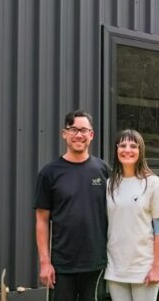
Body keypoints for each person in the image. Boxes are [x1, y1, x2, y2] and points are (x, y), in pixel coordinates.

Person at [35, 110, 109, 300]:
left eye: (84, 130)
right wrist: (45, 262)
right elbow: (42, 220)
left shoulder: (103, 170)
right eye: (73, 129)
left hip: (96, 265)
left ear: (91, 135)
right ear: (64, 133)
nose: (79, 135)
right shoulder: (49, 173)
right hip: (62, 265)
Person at [104, 130, 159, 301]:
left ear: (141, 151)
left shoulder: (154, 184)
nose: (127, 149)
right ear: (116, 150)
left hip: (144, 268)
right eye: (123, 145)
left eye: (133, 146)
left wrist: (156, 267)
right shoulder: (110, 184)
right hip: (116, 267)